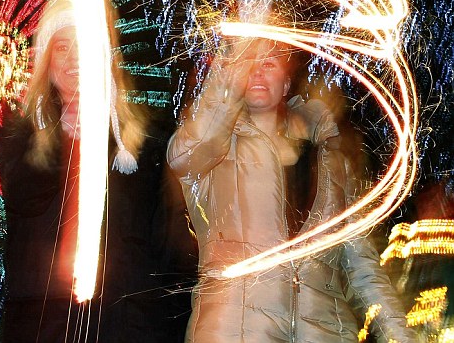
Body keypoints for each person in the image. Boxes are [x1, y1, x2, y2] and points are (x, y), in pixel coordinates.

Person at [167, 36, 417, 342]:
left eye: (269, 64)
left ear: (286, 85)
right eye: (249, 65)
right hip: (236, 332)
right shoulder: (213, 153)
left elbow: (363, 270)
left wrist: (402, 337)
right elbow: (184, 155)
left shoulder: (332, 162)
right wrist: (232, 65)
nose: (257, 72)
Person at [0, 0, 193, 342]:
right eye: (61, 46)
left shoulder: (144, 146)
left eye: (84, 43)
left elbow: (167, 249)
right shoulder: (17, 137)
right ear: (46, 60)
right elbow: (23, 199)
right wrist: (61, 130)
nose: (74, 59)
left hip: (126, 323)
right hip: (44, 324)